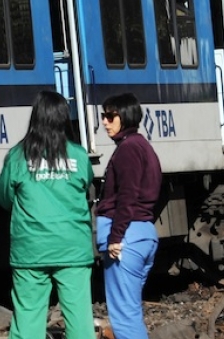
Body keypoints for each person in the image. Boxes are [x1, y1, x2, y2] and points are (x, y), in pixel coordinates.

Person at [0, 90, 94, 339]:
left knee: (28, 318)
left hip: (31, 249)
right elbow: (85, 187)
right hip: (72, 248)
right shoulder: (79, 155)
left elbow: (5, 198)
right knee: (80, 319)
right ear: (64, 118)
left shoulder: (17, 156)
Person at [96, 93, 163, 339]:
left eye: (110, 116)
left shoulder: (128, 149)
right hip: (142, 234)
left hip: (126, 239)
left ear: (125, 116)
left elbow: (128, 195)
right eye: (103, 116)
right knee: (131, 312)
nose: (104, 122)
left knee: (124, 318)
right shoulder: (143, 146)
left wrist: (115, 237)